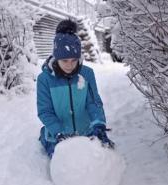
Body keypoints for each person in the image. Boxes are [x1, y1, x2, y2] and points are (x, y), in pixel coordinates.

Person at [37, 19, 114, 158]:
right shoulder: (45, 79)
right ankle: (45, 135)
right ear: (56, 58)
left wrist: (98, 125)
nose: (69, 65)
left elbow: (93, 103)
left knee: (101, 157)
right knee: (65, 162)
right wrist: (58, 132)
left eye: (74, 60)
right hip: (58, 135)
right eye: (64, 61)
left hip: (86, 132)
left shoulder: (86, 74)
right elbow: (45, 111)